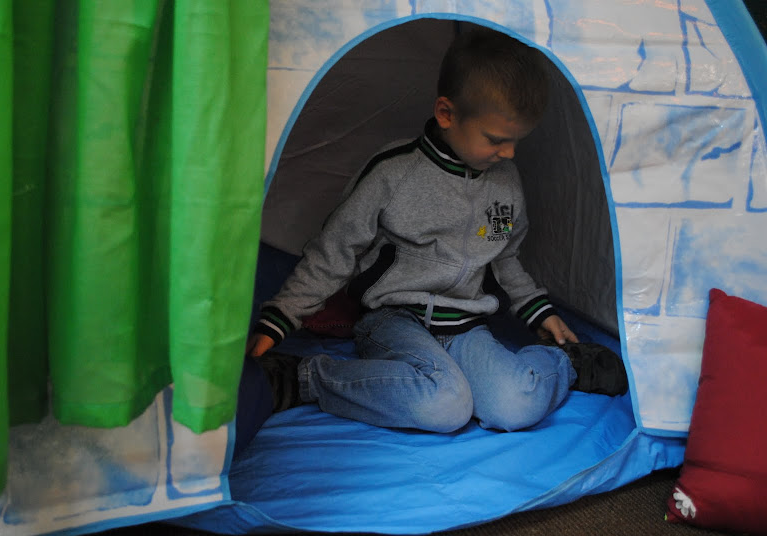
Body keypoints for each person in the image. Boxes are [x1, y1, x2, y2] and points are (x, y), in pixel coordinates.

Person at [247, 28, 627, 433]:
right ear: (447, 114)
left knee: (516, 406)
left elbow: (504, 256)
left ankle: (566, 363)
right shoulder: (393, 172)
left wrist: (538, 310)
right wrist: (280, 318)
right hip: (393, 319)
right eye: (496, 140)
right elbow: (334, 252)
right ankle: (303, 378)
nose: (510, 153)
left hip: (465, 324)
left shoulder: (505, 181)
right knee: (445, 405)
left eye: (517, 141)